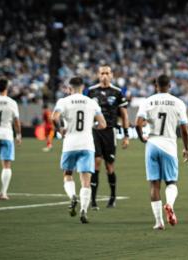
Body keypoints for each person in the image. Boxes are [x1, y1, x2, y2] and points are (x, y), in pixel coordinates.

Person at [135, 74, 188, 230]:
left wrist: (141, 138)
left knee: (154, 185)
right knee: (171, 183)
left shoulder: (147, 102)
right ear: (170, 86)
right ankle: (170, 204)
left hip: (152, 144)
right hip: (169, 146)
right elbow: (184, 130)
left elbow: (137, 124)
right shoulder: (178, 103)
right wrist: (186, 148)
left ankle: (159, 222)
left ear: (156, 85)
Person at [53, 77, 106, 223]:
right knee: (86, 181)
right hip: (87, 144)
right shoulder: (91, 102)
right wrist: (92, 126)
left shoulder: (63, 102)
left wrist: (60, 130)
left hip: (70, 144)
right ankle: (83, 210)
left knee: (68, 174)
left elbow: (54, 118)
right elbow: (103, 124)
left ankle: (72, 196)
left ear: (69, 88)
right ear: (82, 88)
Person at [86, 66, 130, 209]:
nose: (104, 75)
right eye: (102, 73)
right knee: (96, 162)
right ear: (98, 75)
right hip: (95, 131)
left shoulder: (117, 92)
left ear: (111, 75)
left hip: (110, 131)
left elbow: (124, 114)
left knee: (109, 166)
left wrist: (126, 135)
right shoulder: (91, 91)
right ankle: (92, 200)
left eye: (107, 73)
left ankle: (112, 197)